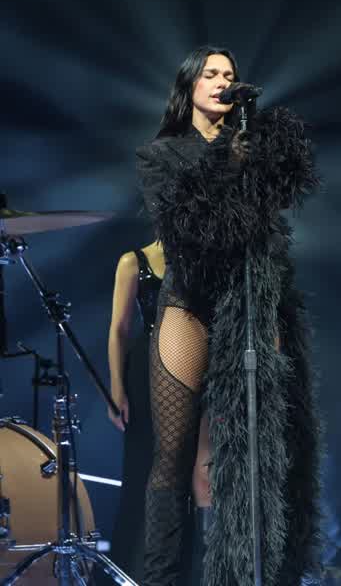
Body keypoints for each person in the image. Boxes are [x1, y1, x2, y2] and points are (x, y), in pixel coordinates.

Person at [137, 45, 322, 586]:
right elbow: (184, 226)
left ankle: (247, 573)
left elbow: (285, 193)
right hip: (190, 301)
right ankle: (163, 579)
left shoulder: (252, 143)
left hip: (250, 303)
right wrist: (227, 161)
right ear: (189, 85)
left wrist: (259, 149)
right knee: (173, 454)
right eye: (211, 73)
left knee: (256, 445)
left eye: (229, 74)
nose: (222, 81)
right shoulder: (160, 155)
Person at [106, 241, 212, 583]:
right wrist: (116, 386)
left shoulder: (203, 258)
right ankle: (142, 569)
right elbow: (119, 329)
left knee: (197, 467)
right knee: (148, 466)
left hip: (196, 366)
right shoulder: (132, 261)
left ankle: (195, 568)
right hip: (146, 371)